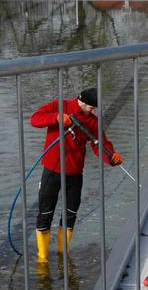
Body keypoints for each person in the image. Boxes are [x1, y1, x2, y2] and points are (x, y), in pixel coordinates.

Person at [30, 87, 122, 261]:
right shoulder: (60, 106)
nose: (93, 111)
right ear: (83, 102)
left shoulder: (93, 122)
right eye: (91, 108)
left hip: (75, 173)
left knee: (71, 213)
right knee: (45, 212)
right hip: (52, 171)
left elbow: (100, 144)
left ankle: (63, 253)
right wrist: (56, 118)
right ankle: (42, 257)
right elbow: (35, 119)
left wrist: (111, 156)